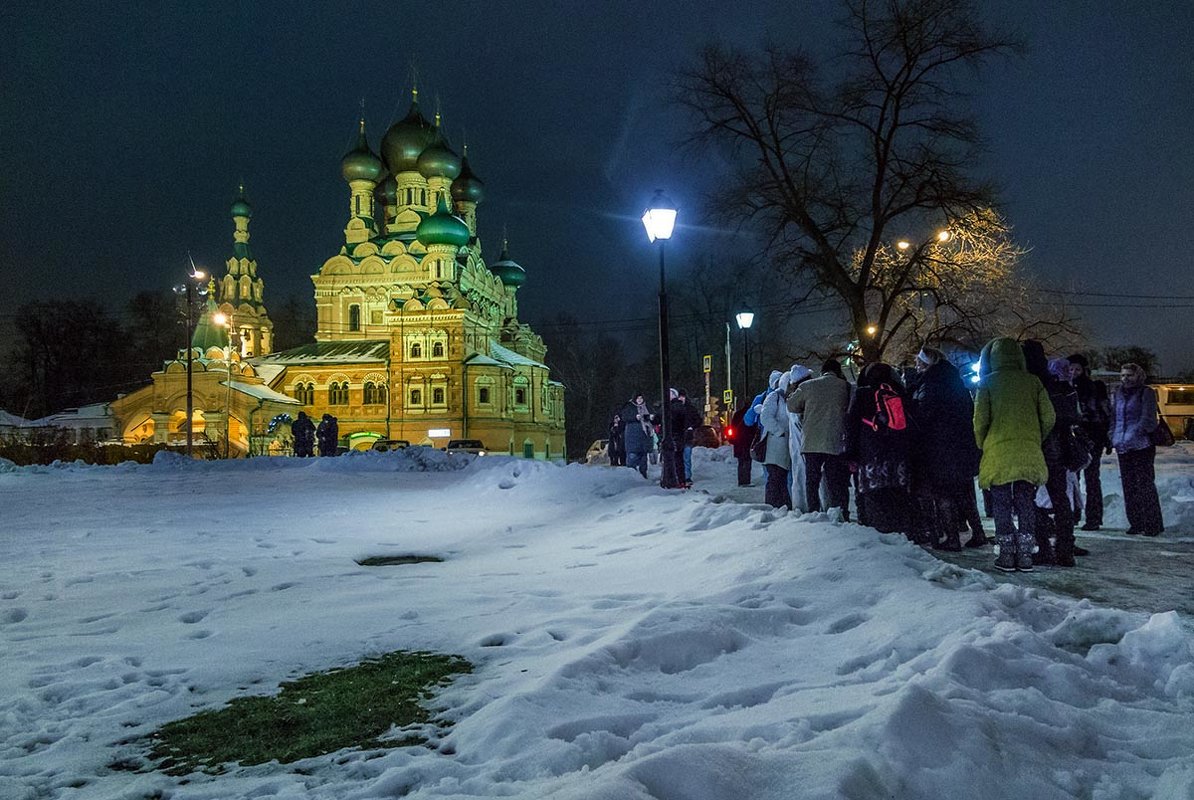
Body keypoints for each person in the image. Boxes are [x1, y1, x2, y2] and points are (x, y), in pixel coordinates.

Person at [973, 337, 1055, 572]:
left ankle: (1007, 555)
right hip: (1028, 450)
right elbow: (1049, 417)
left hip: (998, 451)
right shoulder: (1033, 383)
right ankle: (1026, 555)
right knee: (1025, 501)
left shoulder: (987, 384)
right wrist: (1034, 436)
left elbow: (980, 421)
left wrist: (983, 443)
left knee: (1001, 503)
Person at [909, 347, 982, 550]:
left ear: (927, 363)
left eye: (918, 363)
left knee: (943, 493)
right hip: (962, 445)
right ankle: (979, 532)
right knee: (964, 491)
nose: (916, 367)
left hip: (939, 447)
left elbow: (925, 414)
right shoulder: (956, 381)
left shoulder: (930, 384)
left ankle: (952, 538)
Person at [1023, 344, 1080, 567]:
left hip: (1037, 447)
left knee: (1028, 498)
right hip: (1061, 448)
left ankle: (1044, 547)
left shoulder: (1031, 385)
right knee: (1060, 499)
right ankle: (1065, 549)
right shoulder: (1060, 385)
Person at [845, 362, 914, 534]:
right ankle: (902, 530)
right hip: (897, 454)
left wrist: (850, 454)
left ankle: (880, 533)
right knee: (898, 494)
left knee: (874, 497)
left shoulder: (862, 394)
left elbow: (852, 425)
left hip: (870, 454)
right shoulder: (899, 392)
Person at [788, 358, 851, 519]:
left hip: (811, 442)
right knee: (834, 481)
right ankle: (839, 512)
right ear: (838, 371)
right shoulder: (845, 387)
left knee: (812, 481)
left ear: (822, 371)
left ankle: (814, 512)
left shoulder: (808, 386)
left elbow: (791, 405)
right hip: (835, 442)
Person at [1111, 363, 1164, 536]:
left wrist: (1135, 434)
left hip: (1142, 445)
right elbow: (1114, 417)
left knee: (1145, 484)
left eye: (1129, 375)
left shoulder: (1146, 392)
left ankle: (1152, 523)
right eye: (1123, 375)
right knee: (1129, 486)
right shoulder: (1118, 393)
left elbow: (1148, 419)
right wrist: (1113, 435)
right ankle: (1136, 522)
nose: (1125, 378)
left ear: (1138, 376)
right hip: (1122, 446)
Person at [1068, 353, 1112, 531]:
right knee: (1073, 478)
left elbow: (1105, 412)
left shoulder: (1095, 387)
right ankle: (1073, 513)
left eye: (1077, 369)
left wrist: (1106, 437)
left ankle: (1093, 517)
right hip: (1073, 437)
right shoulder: (1066, 387)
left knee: (1092, 478)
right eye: (1071, 369)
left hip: (1093, 437)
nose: (1074, 372)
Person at [759, 371, 793, 509]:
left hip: (784, 445)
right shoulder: (774, 397)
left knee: (782, 477)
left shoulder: (788, 398)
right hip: (775, 445)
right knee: (775, 477)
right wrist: (780, 432)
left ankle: (784, 505)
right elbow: (765, 417)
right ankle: (773, 506)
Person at [783, 365, 814, 511]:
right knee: (804, 477)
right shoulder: (799, 402)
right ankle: (805, 508)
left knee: (800, 476)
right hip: (804, 444)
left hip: (799, 445)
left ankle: (802, 507)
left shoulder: (792, 400)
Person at [673, 388, 703, 488]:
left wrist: (692, 427)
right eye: (679, 397)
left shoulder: (690, 409)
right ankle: (681, 477)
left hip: (687, 437)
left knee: (686, 457)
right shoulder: (676, 408)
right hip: (679, 437)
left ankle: (687, 477)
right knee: (679, 458)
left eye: (682, 397)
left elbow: (699, 420)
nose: (681, 398)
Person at [619, 393, 653, 478]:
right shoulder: (629, 407)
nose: (640, 400)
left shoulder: (647, 407)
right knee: (632, 459)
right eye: (638, 398)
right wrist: (634, 417)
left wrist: (651, 417)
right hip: (632, 440)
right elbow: (624, 417)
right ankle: (632, 477)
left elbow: (652, 419)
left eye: (641, 398)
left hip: (644, 440)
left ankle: (643, 475)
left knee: (643, 460)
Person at [729, 402, 756, 486]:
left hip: (738, 442)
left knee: (741, 462)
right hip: (748, 442)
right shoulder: (752, 415)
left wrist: (732, 439)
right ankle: (747, 480)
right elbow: (754, 429)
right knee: (748, 462)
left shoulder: (737, 414)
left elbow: (732, 428)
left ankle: (741, 481)